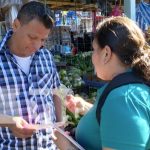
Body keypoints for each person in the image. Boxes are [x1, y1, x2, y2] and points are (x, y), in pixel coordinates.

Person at [54, 16, 150, 150]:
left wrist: (65, 144)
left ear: (106, 53)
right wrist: (87, 108)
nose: (92, 56)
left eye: (94, 49)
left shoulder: (124, 99)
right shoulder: (130, 87)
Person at [0, 1, 62, 149]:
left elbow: (56, 91)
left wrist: (60, 126)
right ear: (16, 25)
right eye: (32, 37)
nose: (37, 45)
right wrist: (8, 121)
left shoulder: (46, 56)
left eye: (43, 40)